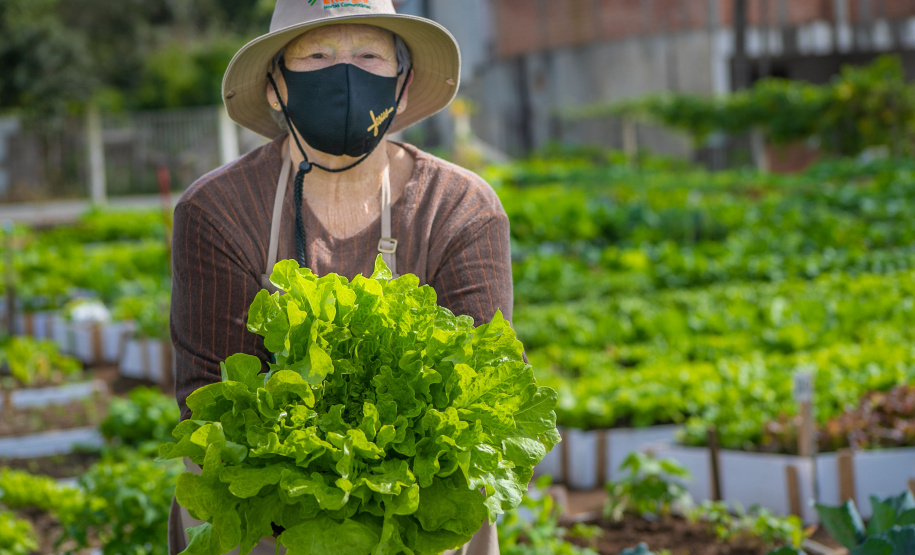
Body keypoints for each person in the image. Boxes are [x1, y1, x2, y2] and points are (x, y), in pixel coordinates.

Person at [167, 1, 510, 554]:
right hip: (267, 521)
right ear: (277, 84)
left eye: (369, 56)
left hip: (420, 520)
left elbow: (483, 397)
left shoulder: (461, 208)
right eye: (318, 55)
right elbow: (211, 406)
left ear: (404, 81)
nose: (345, 75)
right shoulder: (218, 210)